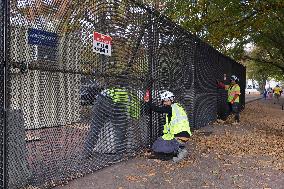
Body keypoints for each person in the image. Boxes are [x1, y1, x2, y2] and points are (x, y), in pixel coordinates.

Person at [83, 84, 140, 160]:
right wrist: (138, 138)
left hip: (101, 98)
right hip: (115, 103)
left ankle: (86, 152)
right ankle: (119, 154)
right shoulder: (134, 100)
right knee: (120, 130)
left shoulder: (120, 90)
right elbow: (134, 122)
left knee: (95, 129)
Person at [144, 90, 192, 163]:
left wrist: (148, 102)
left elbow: (157, 109)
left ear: (171, 100)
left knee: (158, 148)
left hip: (178, 137)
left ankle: (179, 150)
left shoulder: (170, 108)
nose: (165, 103)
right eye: (164, 101)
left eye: (166, 101)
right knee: (157, 144)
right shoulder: (178, 107)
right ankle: (179, 147)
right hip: (184, 135)